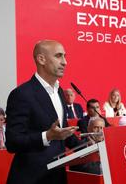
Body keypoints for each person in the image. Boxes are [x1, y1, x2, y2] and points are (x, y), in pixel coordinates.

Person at [5, 40, 81, 184]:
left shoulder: (59, 91)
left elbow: (61, 132)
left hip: (57, 176)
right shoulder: (22, 94)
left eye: (65, 56)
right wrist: (47, 136)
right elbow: (13, 142)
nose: (64, 62)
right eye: (58, 56)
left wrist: (89, 145)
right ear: (41, 59)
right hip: (31, 178)